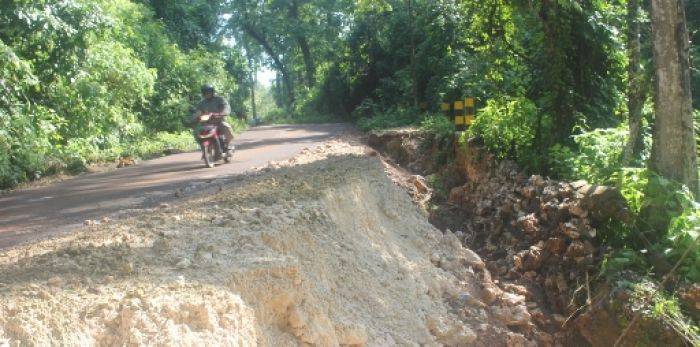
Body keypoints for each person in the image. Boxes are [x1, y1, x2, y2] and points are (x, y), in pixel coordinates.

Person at [191, 84, 234, 152]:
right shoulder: (201, 103)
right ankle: (203, 147)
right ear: (203, 93)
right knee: (196, 131)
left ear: (212, 92)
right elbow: (197, 112)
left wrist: (222, 113)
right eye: (205, 92)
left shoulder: (220, 99)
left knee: (226, 127)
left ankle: (228, 145)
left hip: (219, 122)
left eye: (209, 92)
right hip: (206, 124)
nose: (207, 94)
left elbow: (226, 107)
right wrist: (193, 119)